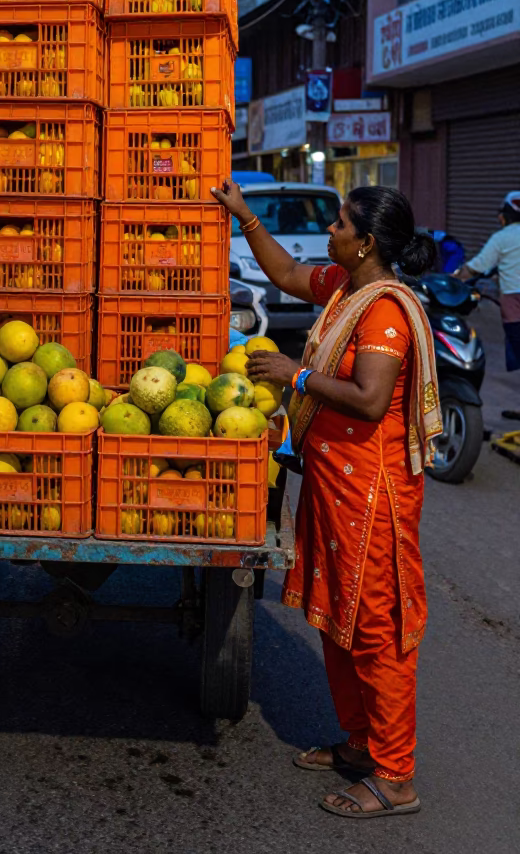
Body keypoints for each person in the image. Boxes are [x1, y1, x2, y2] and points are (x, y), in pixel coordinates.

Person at [212, 181, 440, 819]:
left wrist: (299, 375)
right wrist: (244, 215)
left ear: (366, 243)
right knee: (340, 618)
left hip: (375, 492)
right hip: (334, 481)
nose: (331, 233)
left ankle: (395, 777)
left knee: (375, 630)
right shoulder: (345, 287)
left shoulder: (383, 311)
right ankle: (361, 744)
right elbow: (284, 271)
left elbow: (370, 399)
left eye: (340, 225)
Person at [458, 192, 520, 389]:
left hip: (513, 300)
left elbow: (477, 266)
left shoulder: (502, 237)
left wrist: (453, 278)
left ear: (505, 216)